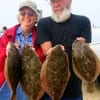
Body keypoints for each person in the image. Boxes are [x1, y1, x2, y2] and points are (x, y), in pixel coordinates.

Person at [37, 0, 91, 100]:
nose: (56, 5)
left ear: (69, 1)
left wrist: (84, 47)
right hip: (49, 90)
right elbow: (47, 51)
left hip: (74, 91)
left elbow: (85, 56)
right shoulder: (43, 23)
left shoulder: (83, 21)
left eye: (59, 1)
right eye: (52, 2)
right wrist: (54, 51)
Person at [0, 0, 44, 100]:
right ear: (19, 16)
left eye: (31, 14)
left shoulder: (41, 35)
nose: (26, 16)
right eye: (23, 13)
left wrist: (36, 56)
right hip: (7, 83)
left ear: (36, 17)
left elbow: (46, 59)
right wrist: (6, 53)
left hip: (30, 83)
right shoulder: (7, 35)